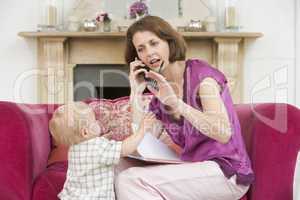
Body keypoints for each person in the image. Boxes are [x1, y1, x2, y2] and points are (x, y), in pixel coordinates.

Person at [115, 15, 254, 200]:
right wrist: (136, 90)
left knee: (131, 179)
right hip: (193, 167)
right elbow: (142, 141)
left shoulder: (202, 76)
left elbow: (223, 132)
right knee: (117, 167)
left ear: (169, 42)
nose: (148, 53)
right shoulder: (159, 92)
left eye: (154, 43)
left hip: (225, 171)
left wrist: (178, 104)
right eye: (141, 49)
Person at [49, 101, 156, 200]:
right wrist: (141, 130)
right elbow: (124, 149)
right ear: (85, 132)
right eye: (94, 121)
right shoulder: (98, 147)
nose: (98, 122)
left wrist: (105, 137)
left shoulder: (74, 149)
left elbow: (93, 150)